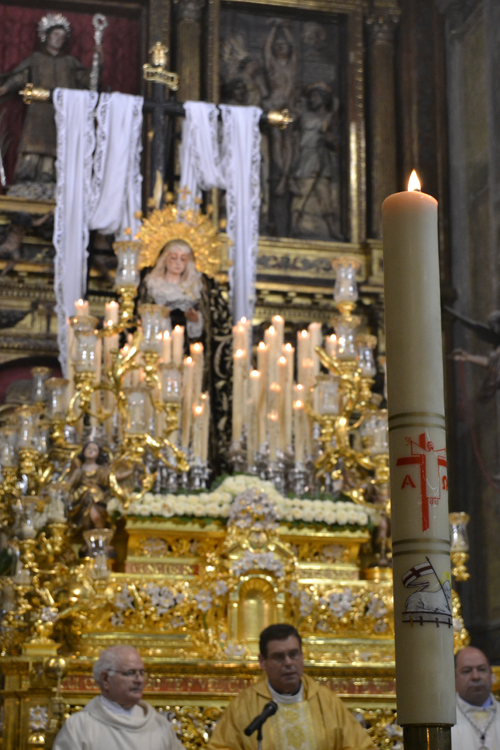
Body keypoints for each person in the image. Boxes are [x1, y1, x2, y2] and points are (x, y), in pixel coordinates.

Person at [208, 623, 375, 750]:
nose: (288, 663)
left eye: (293, 654)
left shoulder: (327, 701)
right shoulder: (244, 706)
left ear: (302, 656)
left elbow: (360, 746)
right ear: (262, 662)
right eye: (279, 657)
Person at [0, 13, 101, 190]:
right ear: (46, 36)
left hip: (64, 114)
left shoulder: (70, 62)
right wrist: (4, 89)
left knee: (57, 150)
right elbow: (20, 78)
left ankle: (52, 184)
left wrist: (99, 63)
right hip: (38, 111)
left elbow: (89, 82)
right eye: (55, 35)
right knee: (33, 147)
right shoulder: (36, 59)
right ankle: (25, 185)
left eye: (62, 37)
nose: (58, 39)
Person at [52, 645, 185, 750]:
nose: (139, 680)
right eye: (130, 673)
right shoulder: (80, 727)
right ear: (105, 679)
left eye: (142, 673)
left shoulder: (159, 725)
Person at [290, 83, 341, 240]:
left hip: (322, 158)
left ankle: (333, 229)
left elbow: (333, 142)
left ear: (324, 99)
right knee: (303, 192)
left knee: (325, 195)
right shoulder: (307, 117)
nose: (313, 99)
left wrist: (331, 140)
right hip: (308, 157)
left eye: (316, 96)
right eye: (311, 96)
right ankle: (293, 226)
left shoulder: (329, 118)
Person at [141, 239, 203, 340]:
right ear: (165, 259)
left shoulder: (192, 289)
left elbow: (205, 326)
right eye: (173, 258)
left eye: (183, 259)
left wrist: (195, 320)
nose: (178, 263)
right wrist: (160, 317)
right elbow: (142, 313)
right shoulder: (153, 286)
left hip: (183, 343)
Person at [452, 646, 500, 750]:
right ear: (454, 677)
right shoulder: (446, 721)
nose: (476, 676)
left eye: (482, 669)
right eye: (467, 671)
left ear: (491, 673)